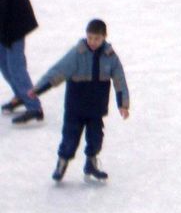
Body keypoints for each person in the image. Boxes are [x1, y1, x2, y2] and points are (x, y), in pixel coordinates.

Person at [30, 18, 129, 183]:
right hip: (75, 109)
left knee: (96, 139)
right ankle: (62, 162)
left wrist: (123, 104)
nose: (92, 42)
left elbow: (120, 80)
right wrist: (39, 88)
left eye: (96, 38)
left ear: (104, 37)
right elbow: (58, 71)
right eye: (90, 37)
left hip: (96, 110)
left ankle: (91, 163)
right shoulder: (78, 53)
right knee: (69, 139)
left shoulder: (110, 57)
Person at [0, 0, 42, 124]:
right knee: (4, 63)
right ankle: (21, 95)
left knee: (15, 66)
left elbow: (4, 3)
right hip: (6, 26)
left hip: (13, 25)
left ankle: (34, 107)